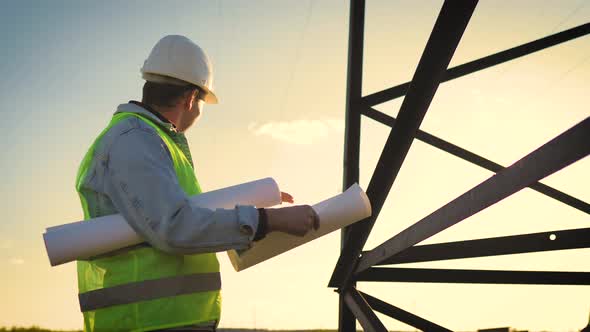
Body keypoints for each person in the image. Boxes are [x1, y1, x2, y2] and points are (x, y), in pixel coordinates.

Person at [75, 35, 320, 332]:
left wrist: (253, 206)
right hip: (145, 322)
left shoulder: (150, 141)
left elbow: (171, 217)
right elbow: (175, 225)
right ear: (191, 98)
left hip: (165, 320)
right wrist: (268, 219)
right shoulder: (134, 141)